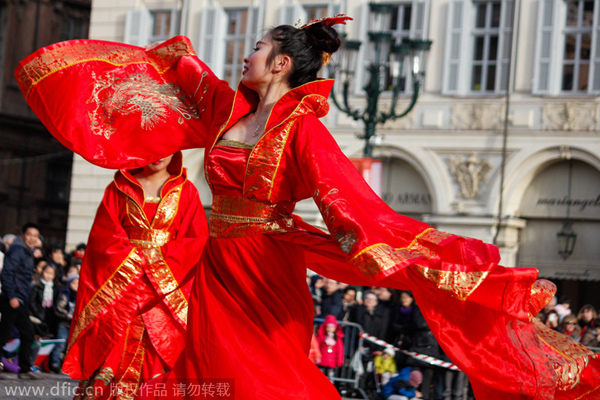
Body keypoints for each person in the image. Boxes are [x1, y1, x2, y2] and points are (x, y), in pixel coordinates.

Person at [14, 16, 600, 400]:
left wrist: (368, 247)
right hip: (207, 261)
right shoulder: (225, 109)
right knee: (198, 369)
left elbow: (347, 198)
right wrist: (74, 80)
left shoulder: (303, 130)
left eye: (257, 49)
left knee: (258, 374)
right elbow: (162, 87)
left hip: (264, 265)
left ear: (281, 64)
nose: (246, 56)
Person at [57, 152, 208, 398]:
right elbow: (103, 239)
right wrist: (138, 263)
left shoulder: (186, 191)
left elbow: (195, 242)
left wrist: (156, 263)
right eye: (152, 147)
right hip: (122, 293)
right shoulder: (119, 187)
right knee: (112, 355)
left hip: (162, 296)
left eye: (167, 148)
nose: (159, 155)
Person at [0, 223, 42, 379]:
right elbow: (6, 274)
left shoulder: (26, 252)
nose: (32, 238)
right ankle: (23, 368)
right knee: (4, 335)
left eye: (35, 236)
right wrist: (11, 296)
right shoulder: (17, 250)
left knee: (28, 333)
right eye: (30, 234)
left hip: (21, 300)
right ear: (23, 235)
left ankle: (24, 369)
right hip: (12, 299)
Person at [316, 315, 345, 381]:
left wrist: (339, 361)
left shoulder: (337, 339)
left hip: (332, 362)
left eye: (332, 327)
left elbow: (340, 351)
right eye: (328, 327)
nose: (330, 329)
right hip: (321, 361)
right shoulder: (322, 337)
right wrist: (316, 357)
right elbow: (316, 347)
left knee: (330, 378)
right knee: (319, 377)